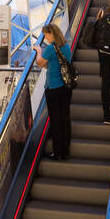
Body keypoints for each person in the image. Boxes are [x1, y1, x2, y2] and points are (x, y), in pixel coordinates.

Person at [35, 22, 72, 161]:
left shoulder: (51, 48)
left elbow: (40, 63)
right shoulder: (66, 46)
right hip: (66, 88)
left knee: (56, 121)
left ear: (52, 33)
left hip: (53, 88)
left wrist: (39, 51)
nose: (45, 38)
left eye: (46, 35)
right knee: (65, 119)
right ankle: (65, 152)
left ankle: (57, 153)